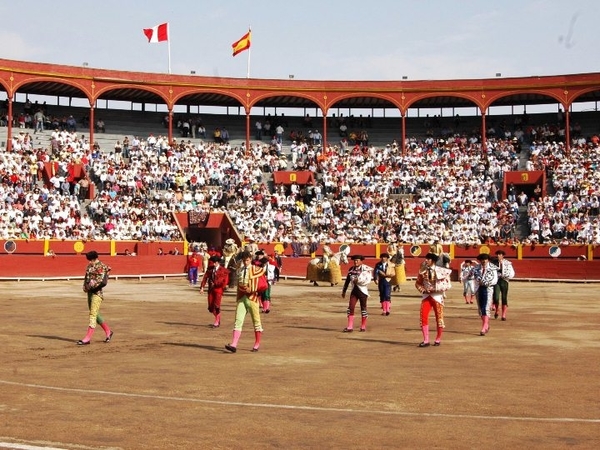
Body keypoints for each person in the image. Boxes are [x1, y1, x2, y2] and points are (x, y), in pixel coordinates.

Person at [225, 251, 265, 353]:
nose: (245, 262)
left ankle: (257, 343)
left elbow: (263, 285)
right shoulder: (240, 270)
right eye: (244, 260)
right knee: (238, 321)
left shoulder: (257, 270)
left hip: (252, 298)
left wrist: (252, 289)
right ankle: (234, 344)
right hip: (242, 298)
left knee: (256, 322)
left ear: (250, 259)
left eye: (247, 260)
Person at [414, 253, 452, 347]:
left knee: (439, 318)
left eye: (428, 259)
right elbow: (418, 283)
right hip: (426, 296)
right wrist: (423, 290)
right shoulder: (423, 271)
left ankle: (438, 339)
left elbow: (448, 285)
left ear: (433, 261)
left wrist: (436, 289)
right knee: (423, 317)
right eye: (426, 259)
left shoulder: (442, 271)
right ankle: (426, 340)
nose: (426, 260)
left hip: (437, 297)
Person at [77, 251, 113, 345]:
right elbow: (86, 277)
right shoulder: (89, 266)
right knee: (95, 314)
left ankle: (87, 338)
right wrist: (85, 286)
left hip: (97, 293)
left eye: (90, 260)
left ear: (94, 259)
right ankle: (108, 331)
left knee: (93, 314)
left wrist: (93, 288)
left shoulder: (102, 266)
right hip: (89, 293)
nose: (89, 262)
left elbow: (103, 282)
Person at [341, 255, 373, 332]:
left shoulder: (366, 269)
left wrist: (358, 281)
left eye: (357, 260)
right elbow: (347, 281)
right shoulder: (351, 269)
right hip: (354, 291)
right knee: (350, 307)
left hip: (362, 291)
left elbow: (367, 281)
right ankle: (350, 326)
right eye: (355, 260)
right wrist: (344, 290)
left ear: (361, 261)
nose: (356, 262)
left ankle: (363, 326)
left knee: (363, 308)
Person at [200, 255, 230, 328]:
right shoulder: (210, 269)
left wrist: (218, 285)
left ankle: (216, 321)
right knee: (211, 307)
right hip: (211, 289)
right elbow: (205, 278)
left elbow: (225, 281)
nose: (212, 264)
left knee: (216, 305)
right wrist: (202, 287)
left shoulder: (223, 270)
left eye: (213, 263)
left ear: (217, 262)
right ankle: (218, 319)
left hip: (218, 290)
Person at [474, 253, 498, 336]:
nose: (484, 261)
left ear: (488, 260)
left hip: (488, 289)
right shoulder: (476, 268)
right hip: (478, 289)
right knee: (480, 309)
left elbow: (494, 280)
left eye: (485, 259)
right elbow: (471, 276)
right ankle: (486, 324)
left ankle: (484, 327)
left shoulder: (492, 268)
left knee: (486, 307)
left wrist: (485, 282)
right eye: (482, 259)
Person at [492, 250, 515, 320]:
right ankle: (497, 309)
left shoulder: (507, 263)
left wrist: (505, 276)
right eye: (498, 254)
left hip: (504, 281)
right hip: (496, 281)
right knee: (496, 297)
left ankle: (503, 314)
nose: (498, 255)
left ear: (503, 255)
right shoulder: (493, 263)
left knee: (504, 297)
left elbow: (511, 273)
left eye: (500, 254)